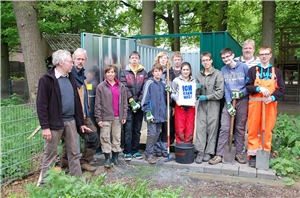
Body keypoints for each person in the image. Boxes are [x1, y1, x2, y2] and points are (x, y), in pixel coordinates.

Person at [36, 49, 92, 184]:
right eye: (70, 61)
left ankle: (78, 182)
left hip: (71, 121)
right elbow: (41, 105)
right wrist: (45, 127)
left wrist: (81, 123)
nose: (72, 64)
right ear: (60, 63)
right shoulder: (47, 80)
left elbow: (77, 102)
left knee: (73, 153)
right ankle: (44, 185)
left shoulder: (70, 78)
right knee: (50, 155)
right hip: (54, 124)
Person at [60, 49, 100, 172]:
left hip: (83, 115)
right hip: (70, 115)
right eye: (78, 59)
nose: (80, 61)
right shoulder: (68, 74)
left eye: (83, 59)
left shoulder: (82, 75)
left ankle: (84, 162)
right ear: (73, 59)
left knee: (93, 137)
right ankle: (65, 167)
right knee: (68, 143)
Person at [246, 46, 285, 168]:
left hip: (269, 105)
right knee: (253, 128)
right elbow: (248, 86)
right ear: (258, 56)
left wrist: (272, 97)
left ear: (270, 55)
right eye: (261, 54)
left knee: (267, 128)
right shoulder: (253, 70)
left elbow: (281, 89)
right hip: (255, 104)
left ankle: (265, 151)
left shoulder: (276, 72)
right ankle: (252, 154)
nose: (263, 56)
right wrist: (259, 88)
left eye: (266, 54)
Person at [209, 48, 249, 165]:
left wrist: (243, 93)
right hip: (230, 101)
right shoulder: (223, 70)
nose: (226, 59)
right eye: (223, 58)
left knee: (240, 128)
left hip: (242, 100)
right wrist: (228, 104)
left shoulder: (244, 67)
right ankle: (219, 154)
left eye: (228, 56)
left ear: (233, 55)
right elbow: (225, 88)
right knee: (225, 127)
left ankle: (238, 153)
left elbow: (249, 83)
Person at [95, 65, 128, 167]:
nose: (110, 74)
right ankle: (107, 158)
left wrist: (124, 116)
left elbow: (124, 103)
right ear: (105, 74)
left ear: (115, 73)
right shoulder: (101, 86)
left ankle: (115, 157)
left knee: (116, 137)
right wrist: (98, 118)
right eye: (108, 72)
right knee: (105, 137)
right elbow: (98, 103)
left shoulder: (121, 86)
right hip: (105, 117)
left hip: (118, 116)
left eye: (112, 72)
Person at [194, 52, 224, 163]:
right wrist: (196, 89)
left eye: (207, 60)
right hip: (202, 105)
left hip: (213, 105)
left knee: (212, 127)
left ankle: (209, 152)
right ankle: (200, 151)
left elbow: (220, 93)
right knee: (201, 127)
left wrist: (207, 97)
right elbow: (195, 93)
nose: (205, 62)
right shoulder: (198, 75)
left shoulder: (218, 74)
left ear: (211, 60)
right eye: (203, 60)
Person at [120, 51, 148, 161]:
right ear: (129, 59)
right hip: (128, 105)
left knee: (137, 129)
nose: (134, 59)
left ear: (139, 59)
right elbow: (124, 86)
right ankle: (127, 151)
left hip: (139, 106)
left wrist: (140, 102)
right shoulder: (124, 72)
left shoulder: (143, 72)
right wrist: (131, 100)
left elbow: (145, 88)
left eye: (136, 58)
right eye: (132, 58)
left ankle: (135, 150)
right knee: (128, 129)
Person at [141, 63, 170, 164]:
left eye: (159, 71)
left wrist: (169, 93)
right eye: (156, 71)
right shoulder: (149, 83)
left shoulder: (163, 84)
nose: (158, 73)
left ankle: (151, 151)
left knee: (157, 133)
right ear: (153, 72)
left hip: (160, 115)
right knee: (152, 134)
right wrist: (147, 111)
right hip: (151, 114)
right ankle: (149, 154)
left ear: (162, 72)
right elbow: (144, 99)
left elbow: (167, 101)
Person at [148, 52, 174, 157]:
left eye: (165, 58)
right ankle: (156, 148)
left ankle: (164, 148)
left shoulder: (171, 73)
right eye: (161, 58)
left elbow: (174, 89)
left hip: (166, 104)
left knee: (165, 126)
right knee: (156, 129)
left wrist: (170, 90)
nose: (163, 60)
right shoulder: (151, 75)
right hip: (155, 106)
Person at [171, 62, 196, 144]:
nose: (186, 71)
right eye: (184, 69)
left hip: (191, 107)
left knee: (190, 127)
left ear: (190, 70)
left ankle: (188, 147)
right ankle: (180, 148)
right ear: (181, 70)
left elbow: (196, 94)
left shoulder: (194, 81)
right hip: (180, 106)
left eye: (187, 69)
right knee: (180, 128)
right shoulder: (176, 80)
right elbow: (172, 93)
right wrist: (176, 100)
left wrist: (195, 100)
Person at [170, 51, 183, 144]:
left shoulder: (184, 70)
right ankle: (170, 138)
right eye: (175, 60)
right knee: (170, 120)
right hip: (171, 99)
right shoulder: (169, 71)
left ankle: (180, 139)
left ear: (181, 60)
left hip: (181, 99)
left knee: (179, 121)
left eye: (179, 59)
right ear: (173, 60)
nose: (177, 61)